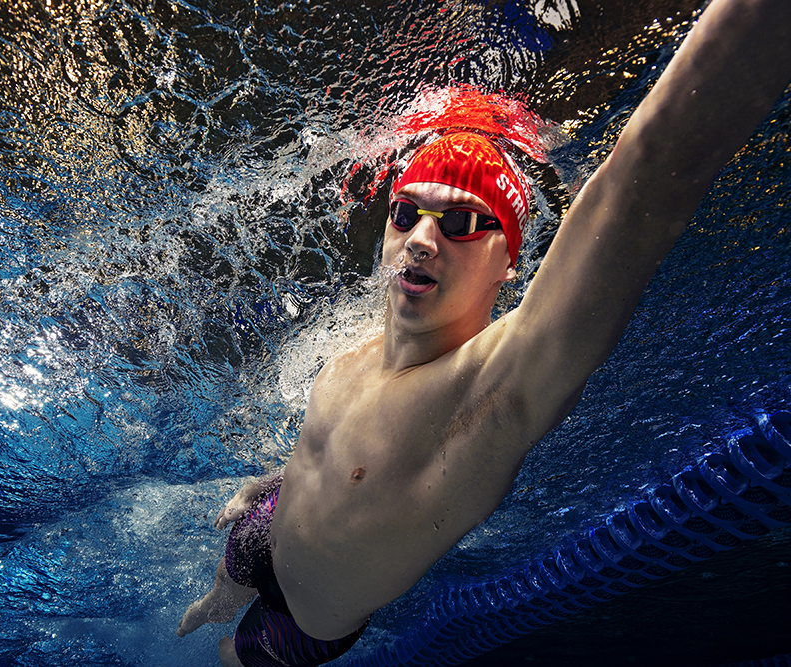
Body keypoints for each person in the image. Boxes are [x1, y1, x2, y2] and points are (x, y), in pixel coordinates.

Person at [177, 1, 791, 665]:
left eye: (463, 223)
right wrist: (272, 483)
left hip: (305, 623)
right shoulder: (353, 353)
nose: (420, 238)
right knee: (227, 579)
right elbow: (324, 458)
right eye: (406, 213)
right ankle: (220, 593)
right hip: (262, 530)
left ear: (509, 261)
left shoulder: (487, 399)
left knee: (227, 656)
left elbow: (651, 177)